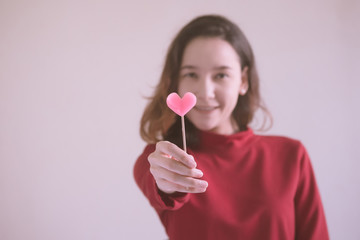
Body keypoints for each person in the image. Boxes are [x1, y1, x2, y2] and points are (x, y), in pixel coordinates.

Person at [133, 14, 329, 240]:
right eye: (191, 74)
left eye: (221, 75)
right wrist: (167, 182)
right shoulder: (160, 159)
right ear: (175, 81)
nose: (205, 92)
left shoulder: (292, 156)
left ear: (243, 81)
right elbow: (166, 186)